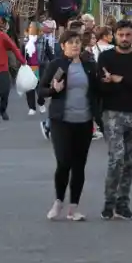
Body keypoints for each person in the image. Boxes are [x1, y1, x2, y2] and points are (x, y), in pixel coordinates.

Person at [96, 20, 132, 221]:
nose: (124, 38)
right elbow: (100, 86)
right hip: (112, 113)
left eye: (128, 35)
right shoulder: (106, 57)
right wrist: (115, 82)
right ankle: (109, 202)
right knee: (116, 158)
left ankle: (123, 204)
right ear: (114, 36)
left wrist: (121, 79)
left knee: (130, 161)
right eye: (120, 35)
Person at [38, 30, 100, 220]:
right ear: (63, 45)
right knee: (64, 161)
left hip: (84, 121)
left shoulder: (89, 66)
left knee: (79, 165)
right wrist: (53, 89)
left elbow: (97, 91)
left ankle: (74, 207)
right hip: (61, 121)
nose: (75, 45)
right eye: (71, 42)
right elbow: (41, 90)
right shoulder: (57, 65)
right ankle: (58, 201)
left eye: (77, 42)